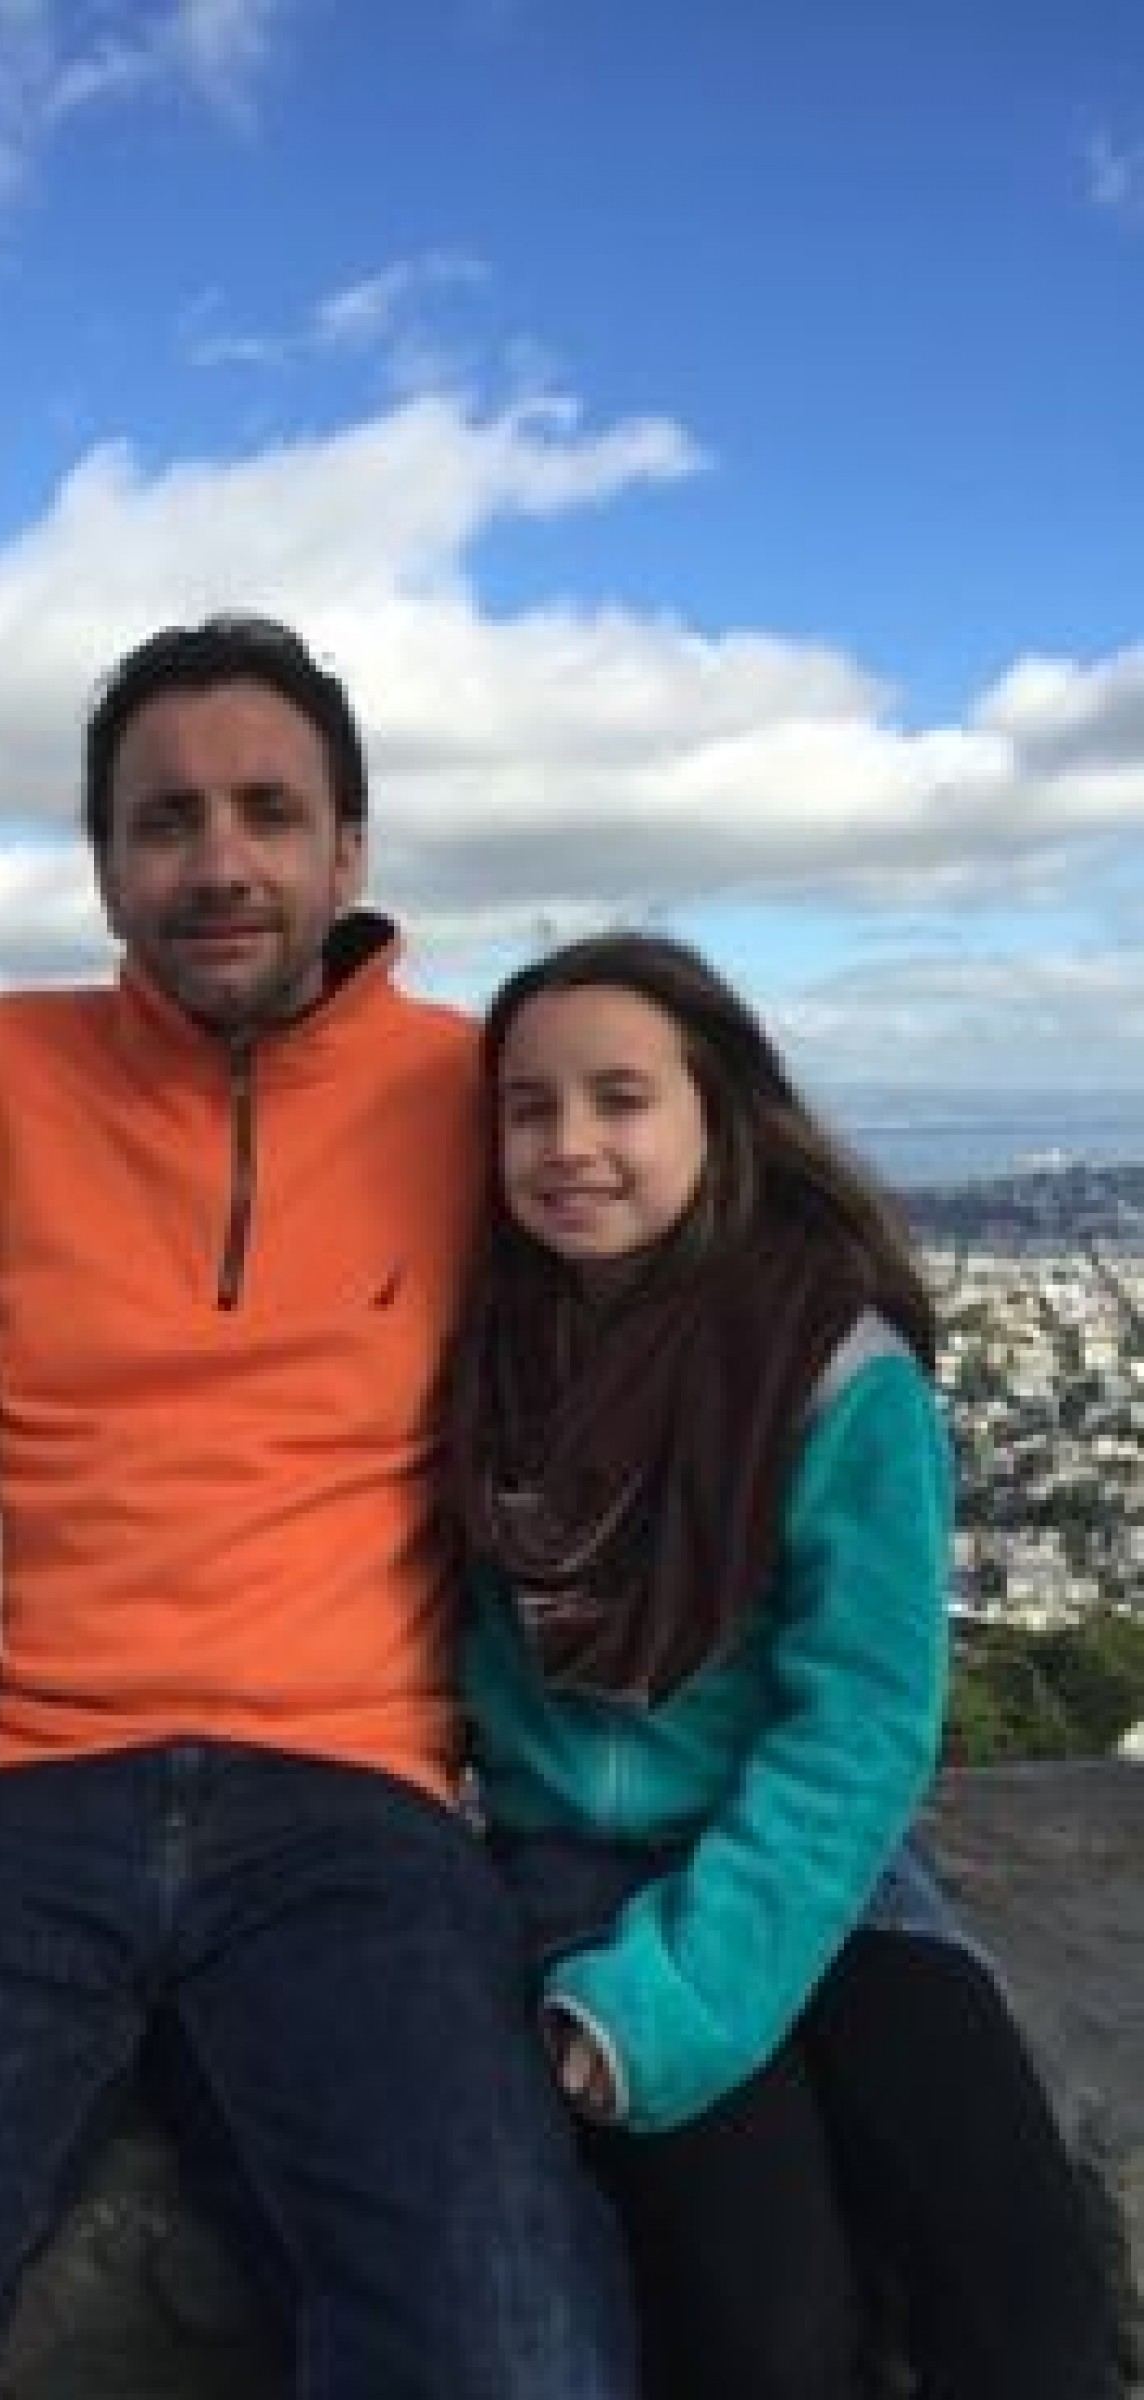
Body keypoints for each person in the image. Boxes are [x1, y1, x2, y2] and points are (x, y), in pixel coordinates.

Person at [0, 616, 635, 2398]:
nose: (220, 862)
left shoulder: (473, 1092)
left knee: (512, 2347)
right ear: (104, 862)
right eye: (166, 819)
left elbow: (696, 1291)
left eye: (270, 812)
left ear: (351, 848)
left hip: (352, 1797)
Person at [454, 929, 1126, 2400]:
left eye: (621, 1099)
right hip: (574, 1868)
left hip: (828, 1866)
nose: (569, 1145)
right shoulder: (485, 1360)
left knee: (1023, 2302)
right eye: (527, 1108)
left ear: (721, 1114)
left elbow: (862, 1724)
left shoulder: (832, 1369)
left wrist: (682, 1995)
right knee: (765, 2327)